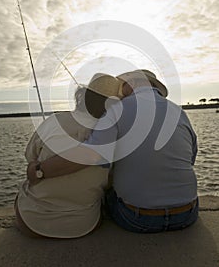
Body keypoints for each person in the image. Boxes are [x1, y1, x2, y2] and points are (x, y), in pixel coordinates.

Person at [27, 69, 198, 233]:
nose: (120, 92)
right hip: (187, 213)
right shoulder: (178, 111)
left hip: (138, 219)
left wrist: (40, 170)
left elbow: (90, 155)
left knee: (107, 190)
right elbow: (190, 158)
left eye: (121, 85)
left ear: (132, 83)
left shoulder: (117, 109)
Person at [15, 73, 123, 238]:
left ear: (83, 97)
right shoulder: (115, 137)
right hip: (83, 225)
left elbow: (30, 157)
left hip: (31, 222)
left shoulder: (54, 120)